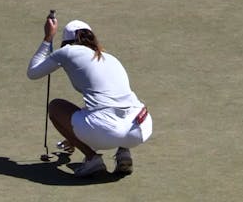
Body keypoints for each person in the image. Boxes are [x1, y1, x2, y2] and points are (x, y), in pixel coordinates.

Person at [27, 15, 153, 177]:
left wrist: (48, 37)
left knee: (56, 106)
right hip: (141, 128)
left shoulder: (67, 51)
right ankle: (124, 153)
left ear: (67, 41)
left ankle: (92, 158)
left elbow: (33, 72)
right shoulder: (110, 57)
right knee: (117, 105)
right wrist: (73, 137)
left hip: (106, 131)